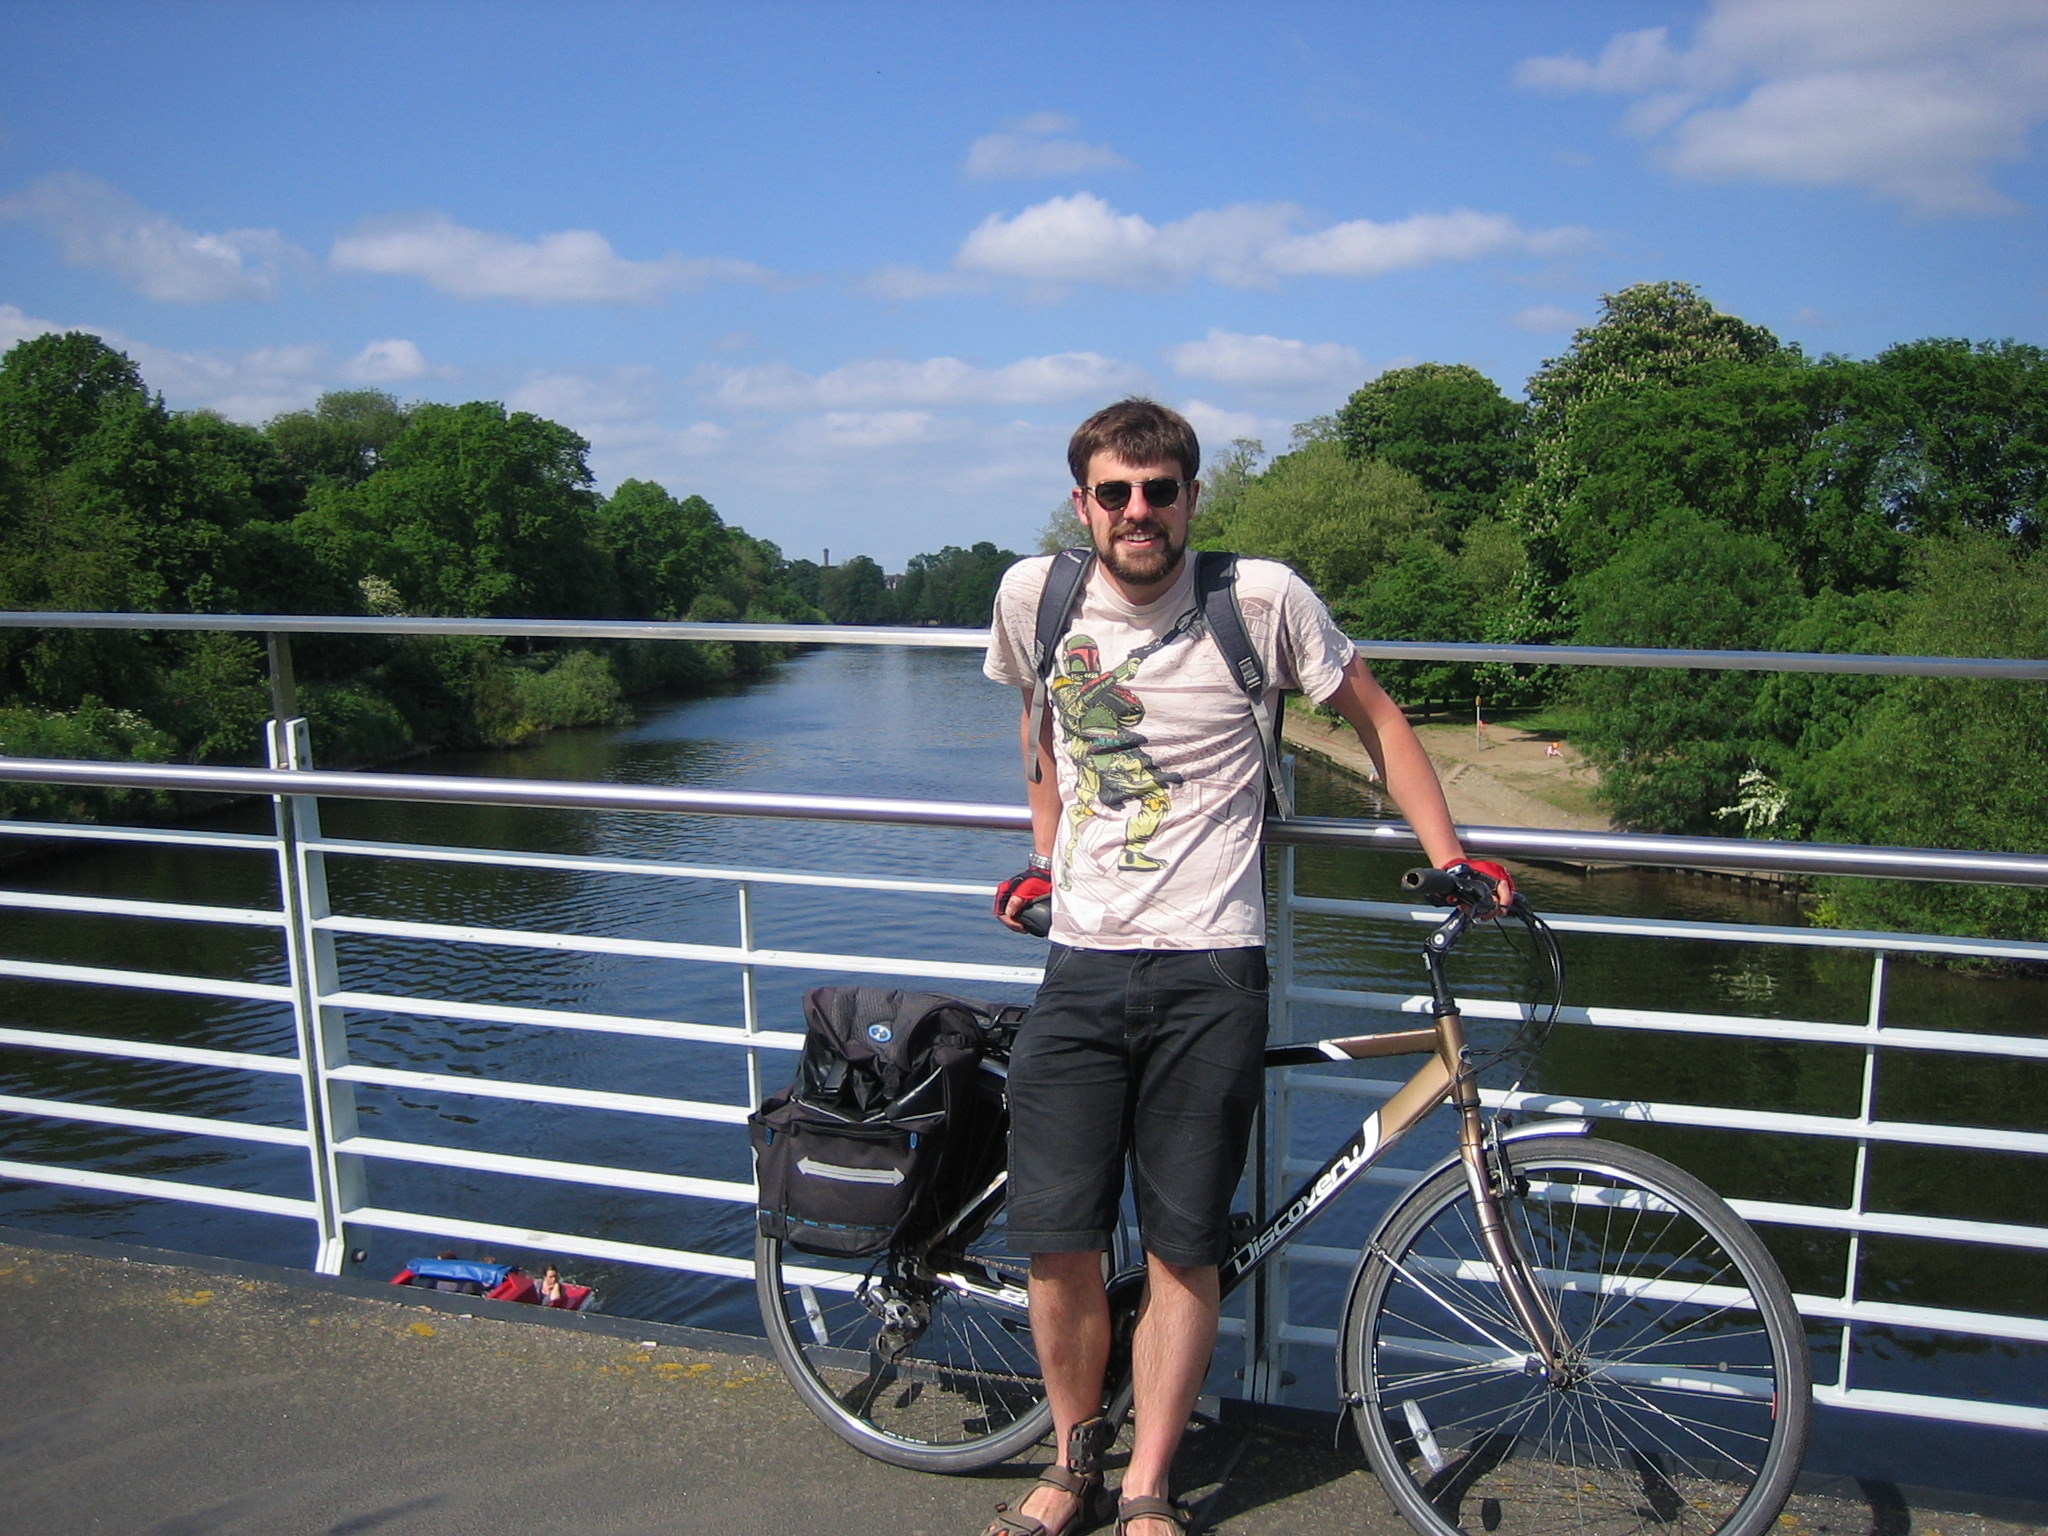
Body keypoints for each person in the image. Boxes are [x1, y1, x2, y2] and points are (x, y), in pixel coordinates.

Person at [982, 398, 1510, 1536]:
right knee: (1058, 1241)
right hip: (1081, 961)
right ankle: (1069, 1466)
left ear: (1190, 498)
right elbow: (1042, 727)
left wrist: (1448, 858)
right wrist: (1039, 858)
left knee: (1184, 1246)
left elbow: (1376, 719)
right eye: (1114, 493)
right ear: (1082, 504)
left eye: (1158, 490)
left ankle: (1146, 1484)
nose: (1137, 511)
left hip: (1212, 966)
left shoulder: (1258, 600)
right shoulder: (1035, 596)